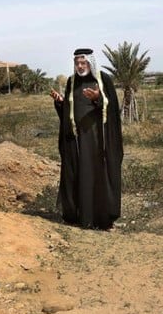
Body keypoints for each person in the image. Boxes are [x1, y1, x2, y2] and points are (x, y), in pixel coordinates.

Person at [50, 48, 123, 230]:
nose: (80, 66)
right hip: (77, 141)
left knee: (99, 176)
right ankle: (78, 215)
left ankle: (102, 218)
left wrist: (99, 98)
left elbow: (112, 107)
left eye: (83, 63)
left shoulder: (103, 79)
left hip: (99, 141)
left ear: (90, 62)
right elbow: (69, 109)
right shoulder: (71, 81)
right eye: (77, 63)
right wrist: (60, 103)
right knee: (77, 174)